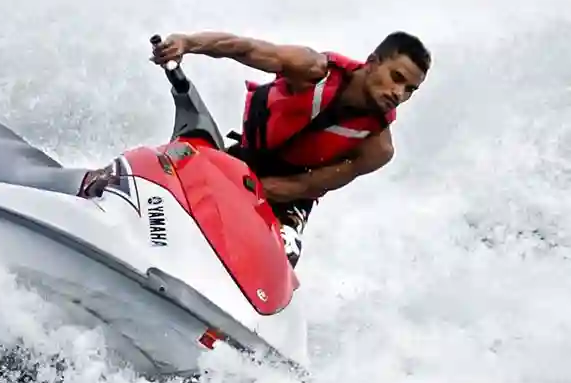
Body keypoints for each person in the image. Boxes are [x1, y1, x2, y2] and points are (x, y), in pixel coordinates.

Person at [149, 29, 431, 264]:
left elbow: (309, 185)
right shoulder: (312, 69)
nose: (399, 93)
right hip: (243, 159)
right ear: (372, 62)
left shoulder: (377, 148)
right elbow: (245, 49)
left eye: (410, 90)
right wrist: (187, 43)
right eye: (397, 78)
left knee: (284, 252)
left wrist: (249, 193)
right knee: (175, 167)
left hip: (289, 197)